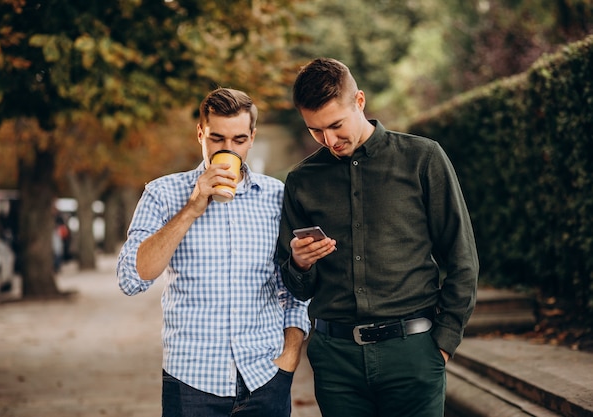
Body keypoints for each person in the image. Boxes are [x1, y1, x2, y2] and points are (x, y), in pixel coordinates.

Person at [276, 58, 479, 417]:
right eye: (315, 130)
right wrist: (299, 263)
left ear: (360, 102)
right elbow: (298, 287)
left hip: (413, 353)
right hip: (336, 362)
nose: (329, 140)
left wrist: (443, 344)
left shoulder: (423, 159)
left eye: (336, 125)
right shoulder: (302, 181)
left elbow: (462, 258)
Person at [117, 87, 310, 417]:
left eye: (238, 140)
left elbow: (295, 282)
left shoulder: (277, 196)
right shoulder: (162, 193)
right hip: (191, 380)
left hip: (265, 377)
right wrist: (192, 208)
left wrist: (289, 355)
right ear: (200, 134)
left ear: (251, 137)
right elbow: (131, 278)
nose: (227, 149)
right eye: (217, 138)